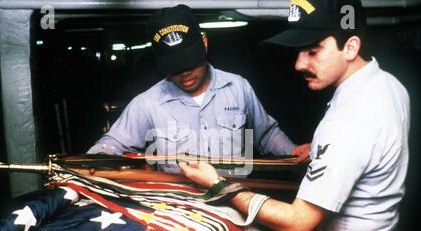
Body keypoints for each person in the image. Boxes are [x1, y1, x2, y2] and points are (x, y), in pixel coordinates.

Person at [179, 0, 410, 231]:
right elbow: (371, 143)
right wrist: (321, 152)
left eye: (313, 51)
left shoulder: (349, 121)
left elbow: (298, 223)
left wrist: (218, 184)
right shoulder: (386, 83)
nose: (299, 64)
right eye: (299, 51)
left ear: (350, 47)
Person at [88, 4, 309, 174]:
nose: (184, 73)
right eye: (174, 67)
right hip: (180, 208)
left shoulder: (238, 87)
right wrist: (96, 159)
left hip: (236, 198)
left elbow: (266, 134)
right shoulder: (148, 102)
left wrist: (290, 150)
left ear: (204, 43)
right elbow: (113, 143)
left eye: (189, 62)